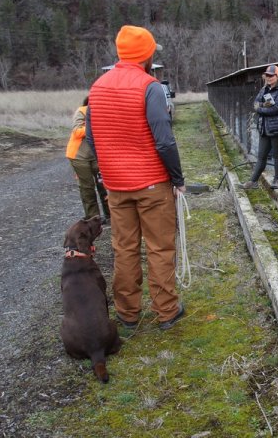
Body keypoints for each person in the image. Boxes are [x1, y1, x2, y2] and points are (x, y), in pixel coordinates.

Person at [86, 25, 186, 331]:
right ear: (147, 54)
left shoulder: (97, 87)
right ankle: (166, 311)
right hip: (152, 184)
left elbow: (91, 137)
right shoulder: (150, 86)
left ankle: (127, 313)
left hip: (116, 186)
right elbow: (165, 140)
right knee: (159, 247)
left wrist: (109, 167)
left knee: (124, 248)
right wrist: (177, 179)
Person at [241, 65, 278, 190]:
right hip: (264, 128)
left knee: (277, 155)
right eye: (267, 75)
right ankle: (253, 181)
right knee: (261, 156)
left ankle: (277, 180)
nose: (268, 78)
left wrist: (261, 109)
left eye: (271, 75)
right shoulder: (264, 89)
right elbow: (255, 104)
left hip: (277, 127)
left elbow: (277, 108)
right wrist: (264, 106)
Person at [66, 96, 110, 223]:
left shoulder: (104, 114)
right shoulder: (82, 111)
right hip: (79, 156)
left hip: (96, 155)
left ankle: (110, 214)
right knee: (87, 187)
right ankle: (93, 218)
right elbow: (77, 131)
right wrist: (93, 126)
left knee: (103, 184)